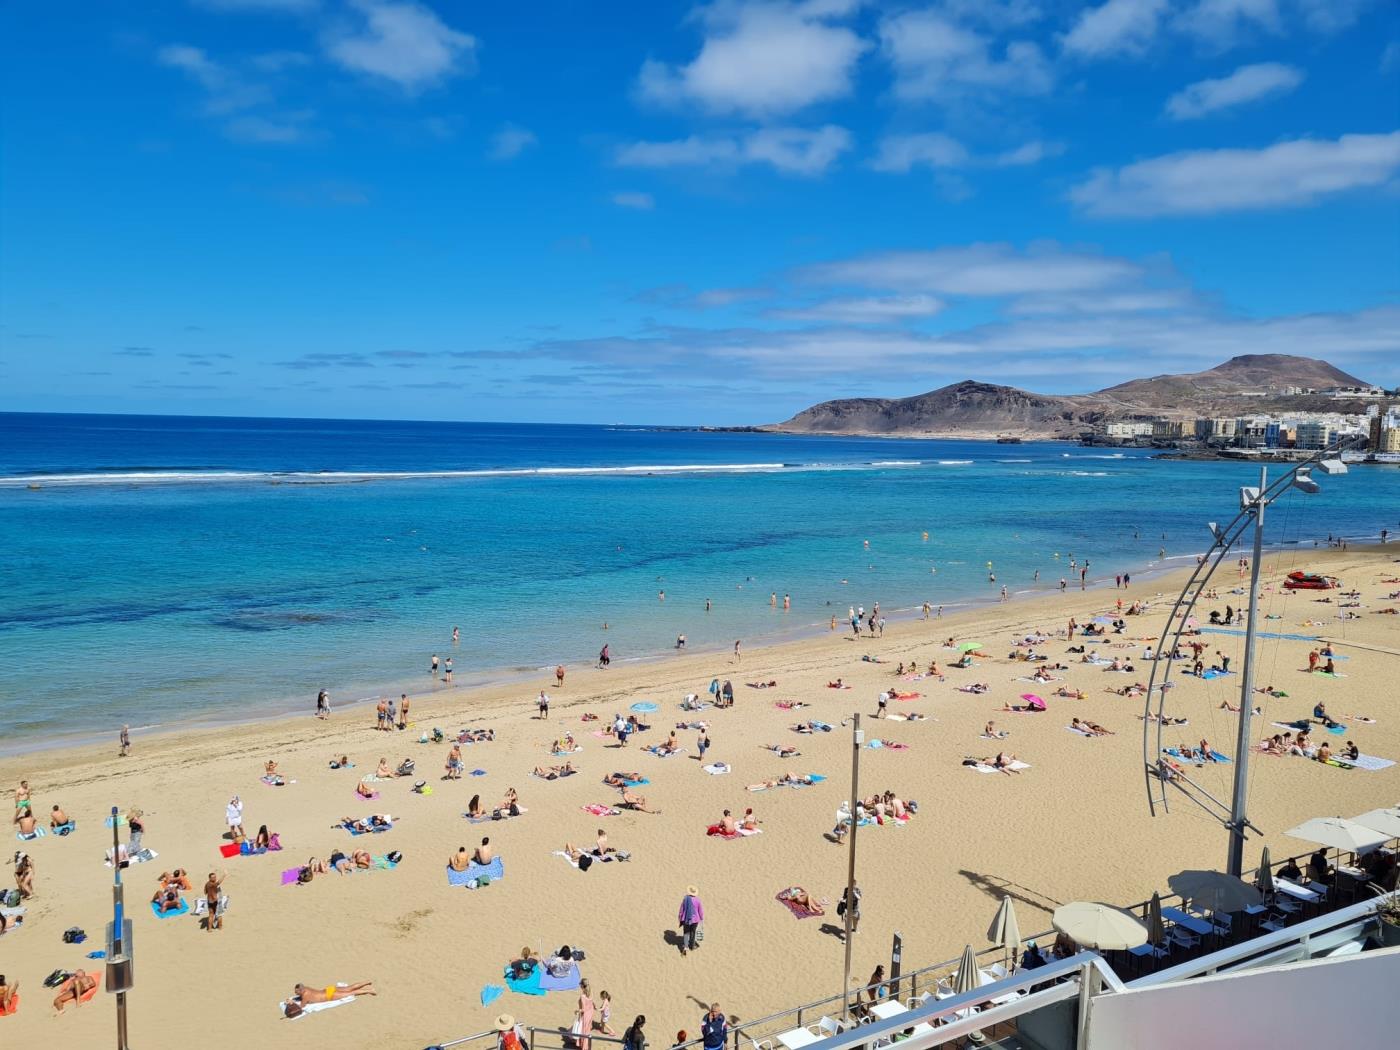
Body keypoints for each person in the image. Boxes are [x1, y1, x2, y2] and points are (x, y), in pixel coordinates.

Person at [678, 885, 704, 955]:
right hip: (695, 920)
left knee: (686, 932)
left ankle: (686, 946)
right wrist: (701, 918)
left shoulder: (685, 899)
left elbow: (681, 910)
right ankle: (692, 946)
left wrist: (680, 917)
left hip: (686, 918)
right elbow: (700, 911)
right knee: (693, 932)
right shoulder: (698, 900)